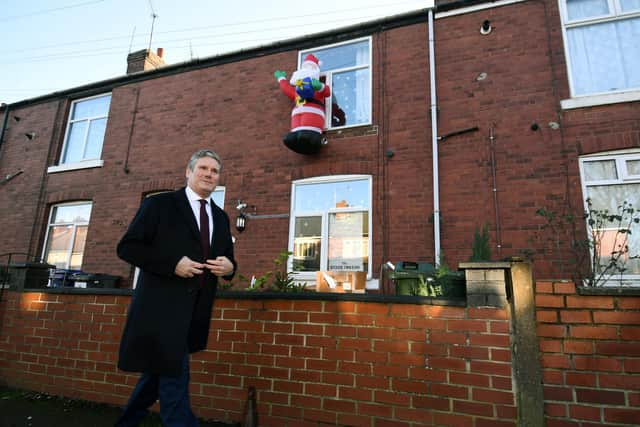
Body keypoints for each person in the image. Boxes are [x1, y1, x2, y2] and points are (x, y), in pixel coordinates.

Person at [115, 149, 236, 427]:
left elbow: (228, 257)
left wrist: (230, 267)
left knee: (158, 375)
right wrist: (173, 264)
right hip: (160, 312)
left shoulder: (220, 217)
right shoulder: (159, 205)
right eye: (203, 168)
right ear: (188, 172)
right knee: (174, 386)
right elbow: (128, 247)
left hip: (194, 314)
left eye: (214, 171)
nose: (208, 174)